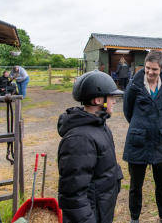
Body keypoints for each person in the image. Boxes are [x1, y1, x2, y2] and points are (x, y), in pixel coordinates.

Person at [57, 70, 124, 223]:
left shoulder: (100, 126)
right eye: (111, 97)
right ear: (97, 100)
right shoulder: (79, 139)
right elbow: (73, 195)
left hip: (101, 210)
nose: (114, 101)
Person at [123, 50, 162, 223]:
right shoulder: (134, 85)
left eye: (154, 69)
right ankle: (134, 219)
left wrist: (157, 125)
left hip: (161, 140)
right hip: (138, 140)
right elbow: (128, 111)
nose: (150, 73)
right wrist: (141, 125)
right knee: (135, 186)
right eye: (147, 68)